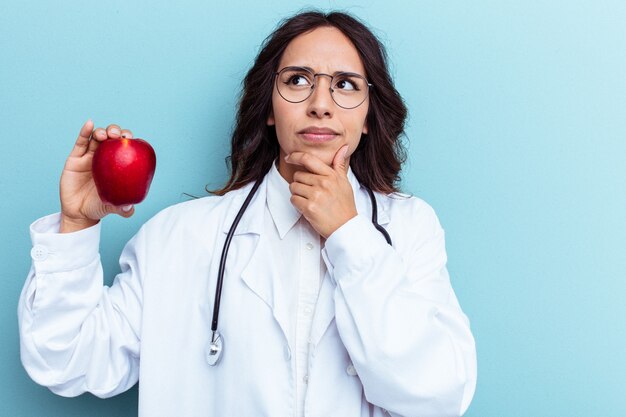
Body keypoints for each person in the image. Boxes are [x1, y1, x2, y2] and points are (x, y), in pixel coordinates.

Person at [18, 10, 477, 417]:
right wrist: (76, 226)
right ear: (270, 110)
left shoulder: (410, 228)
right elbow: (65, 361)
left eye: (345, 85)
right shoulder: (178, 238)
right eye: (298, 80)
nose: (320, 103)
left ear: (369, 113)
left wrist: (349, 235)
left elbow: (437, 395)